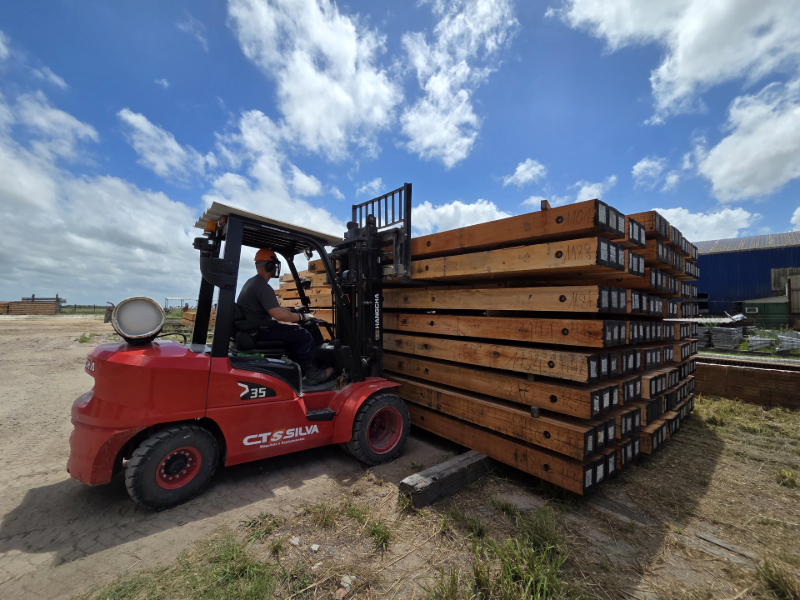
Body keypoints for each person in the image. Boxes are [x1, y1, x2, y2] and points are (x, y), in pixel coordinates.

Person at [236, 248, 333, 386]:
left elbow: (273, 308)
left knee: (291, 334)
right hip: (259, 331)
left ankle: (300, 369)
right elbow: (278, 315)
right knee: (302, 334)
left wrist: (291, 310)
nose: (275, 268)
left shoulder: (252, 282)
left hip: (253, 328)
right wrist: (300, 316)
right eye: (274, 265)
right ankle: (313, 374)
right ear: (269, 265)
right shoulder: (263, 287)